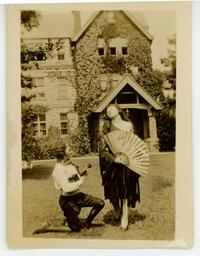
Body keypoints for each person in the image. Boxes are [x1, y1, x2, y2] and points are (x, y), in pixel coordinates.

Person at [99, 104, 140, 231]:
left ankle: (125, 216)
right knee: (112, 187)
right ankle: (117, 208)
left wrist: (129, 156)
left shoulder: (128, 126)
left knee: (126, 188)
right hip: (111, 161)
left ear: (118, 110)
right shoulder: (106, 126)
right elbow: (102, 148)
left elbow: (133, 143)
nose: (109, 111)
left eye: (111, 109)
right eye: (107, 110)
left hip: (127, 161)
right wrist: (113, 159)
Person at [52, 140, 105, 232]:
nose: (70, 149)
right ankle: (50, 228)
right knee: (76, 229)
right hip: (67, 201)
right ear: (63, 153)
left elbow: (75, 178)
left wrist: (84, 172)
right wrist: (81, 181)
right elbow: (66, 188)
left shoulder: (69, 165)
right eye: (68, 148)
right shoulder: (59, 169)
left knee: (100, 203)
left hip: (77, 196)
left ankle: (87, 223)